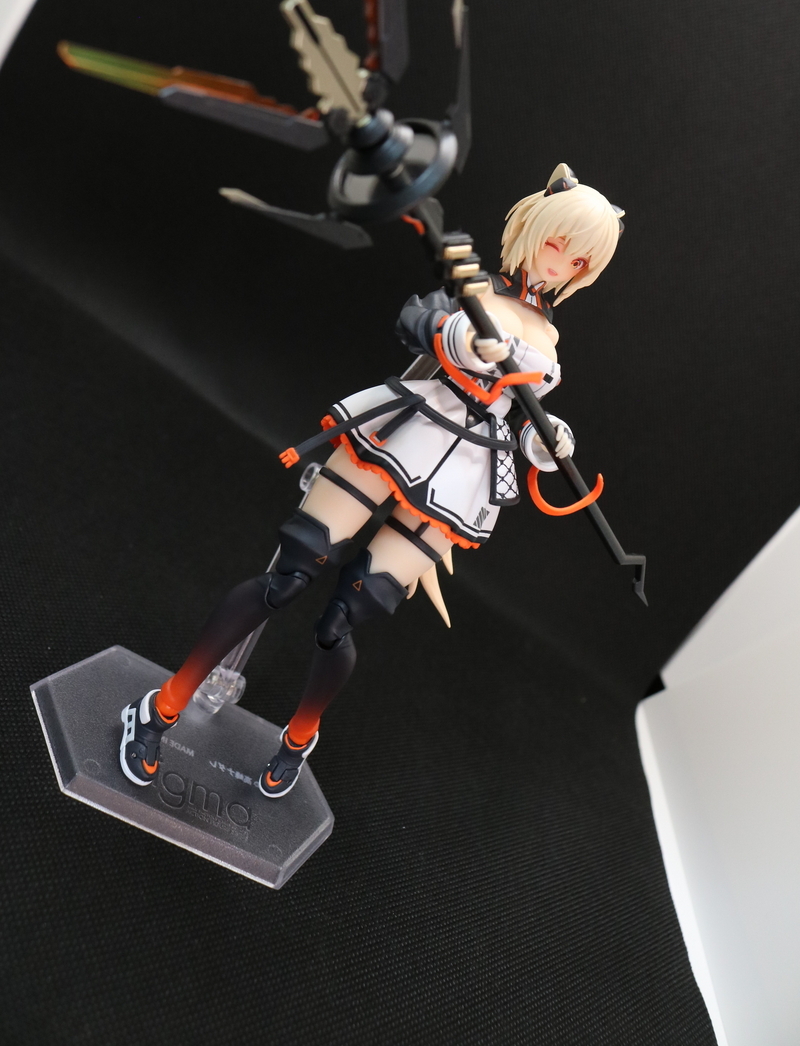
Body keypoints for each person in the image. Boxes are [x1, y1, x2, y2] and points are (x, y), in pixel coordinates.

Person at [119, 164, 624, 796]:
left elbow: (517, 417)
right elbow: (416, 319)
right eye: (557, 244)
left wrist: (547, 444)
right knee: (288, 576)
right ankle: (162, 705)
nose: (561, 264)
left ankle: (300, 735)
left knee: (342, 618)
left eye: (578, 261)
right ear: (533, 228)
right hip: (404, 432)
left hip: (462, 475)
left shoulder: (548, 335)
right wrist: (460, 337)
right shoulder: (476, 291)